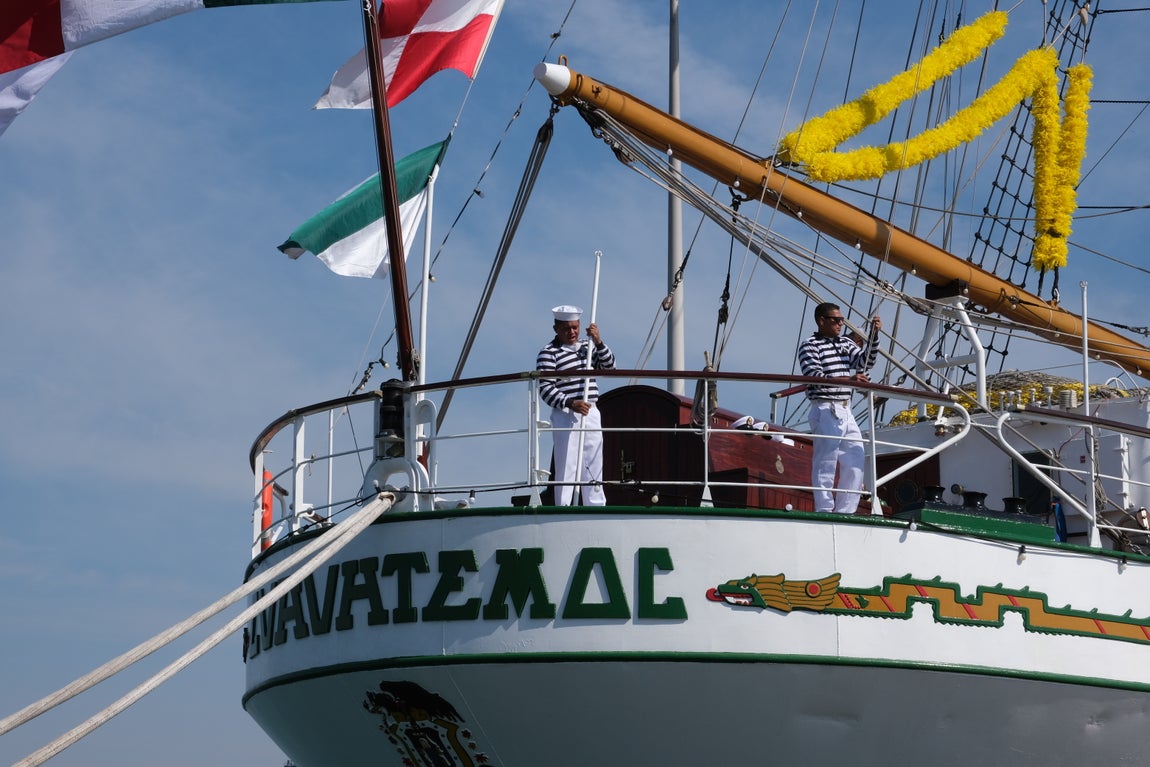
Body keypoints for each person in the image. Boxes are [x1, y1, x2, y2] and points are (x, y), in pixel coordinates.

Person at [797, 302, 882, 514]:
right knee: (826, 462)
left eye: (842, 320)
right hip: (825, 408)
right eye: (836, 320)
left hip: (846, 409)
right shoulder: (809, 345)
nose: (841, 324)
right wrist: (849, 379)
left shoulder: (845, 343)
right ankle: (824, 509)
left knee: (855, 460)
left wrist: (873, 337)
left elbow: (865, 362)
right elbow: (814, 377)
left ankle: (846, 511)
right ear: (821, 321)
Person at [537, 305, 616, 505]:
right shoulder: (548, 353)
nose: (571, 332)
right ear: (556, 329)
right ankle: (563, 505)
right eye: (566, 328)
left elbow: (610, 368)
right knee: (567, 463)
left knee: (594, 460)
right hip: (566, 413)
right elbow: (545, 388)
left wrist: (598, 342)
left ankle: (595, 504)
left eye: (575, 327)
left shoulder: (587, 348)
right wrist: (570, 403)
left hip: (590, 410)